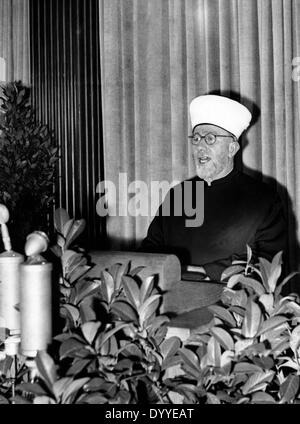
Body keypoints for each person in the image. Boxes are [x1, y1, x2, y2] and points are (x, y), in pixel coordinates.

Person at [140, 95, 286, 281]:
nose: (200, 147)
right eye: (196, 138)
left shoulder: (264, 199)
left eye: (210, 139)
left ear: (232, 149)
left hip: (232, 304)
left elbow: (269, 260)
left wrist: (207, 272)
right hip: (173, 301)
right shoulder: (178, 195)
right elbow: (150, 249)